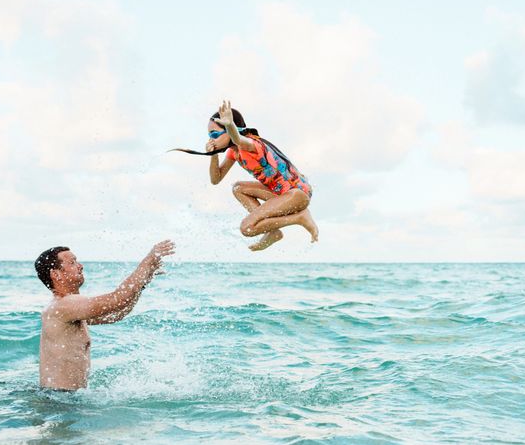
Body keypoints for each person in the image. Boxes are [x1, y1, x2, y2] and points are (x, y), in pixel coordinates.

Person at [171, 101, 318, 251]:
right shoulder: (234, 152)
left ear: (232, 129)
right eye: (209, 135)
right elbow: (216, 179)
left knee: (247, 228)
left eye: (215, 134)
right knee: (238, 188)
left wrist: (229, 125)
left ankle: (300, 217)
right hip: (281, 194)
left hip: (297, 195)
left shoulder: (251, 143)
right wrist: (213, 154)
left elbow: (238, 139)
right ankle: (272, 230)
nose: (211, 139)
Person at [34, 240, 174, 391]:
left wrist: (144, 282)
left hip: (63, 398)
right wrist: (149, 260)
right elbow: (118, 299)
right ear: (56, 274)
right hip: (59, 402)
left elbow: (117, 314)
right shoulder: (64, 305)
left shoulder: (67, 308)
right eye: (72, 262)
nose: (80, 266)